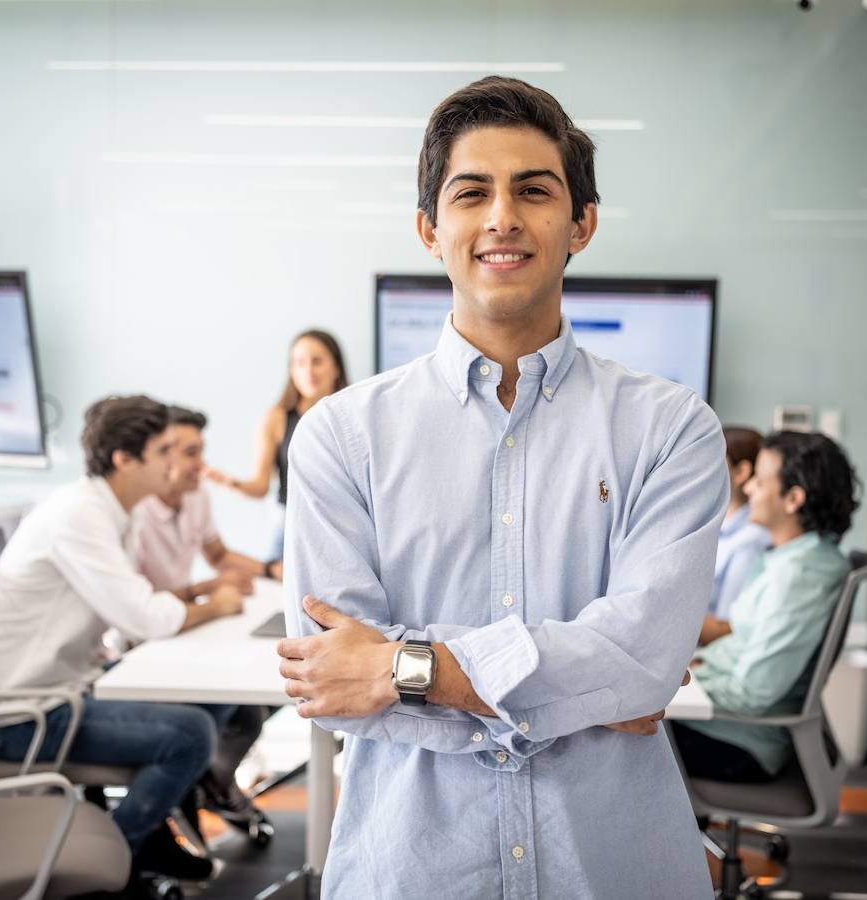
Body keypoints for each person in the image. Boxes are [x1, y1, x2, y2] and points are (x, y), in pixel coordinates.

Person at [276, 77, 728, 899]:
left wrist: (399, 669)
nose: (502, 218)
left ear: (581, 224)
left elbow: (642, 665)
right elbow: (333, 686)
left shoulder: (672, 429)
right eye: (471, 192)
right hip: (413, 871)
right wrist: (584, 691)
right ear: (429, 228)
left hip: (612, 870)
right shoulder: (341, 436)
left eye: (534, 191)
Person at [0, 395, 246, 883]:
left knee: (216, 697)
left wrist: (195, 596)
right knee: (191, 734)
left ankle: (154, 826)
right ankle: (113, 860)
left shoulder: (117, 509)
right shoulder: (79, 515)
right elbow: (145, 618)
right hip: (29, 714)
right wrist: (216, 606)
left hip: (72, 684)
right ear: (125, 460)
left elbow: (137, 601)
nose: (175, 463)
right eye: (164, 451)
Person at [673, 430, 860, 783]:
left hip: (739, 740)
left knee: (606, 739)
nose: (748, 489)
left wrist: (679, 682)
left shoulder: (799, 576)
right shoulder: (793, 559)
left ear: (793, 498)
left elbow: (752, 693)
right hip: (729, 723)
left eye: (759, 481)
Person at [129, 403, 277, 842]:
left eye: (200, 451)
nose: (201, 464)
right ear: (160, 455)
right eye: (190, 453)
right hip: (141, 645)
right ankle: (195, 788)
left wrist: (270, 570)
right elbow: (137, 605)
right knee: (237, 708)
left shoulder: (196, 497)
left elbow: (218, 555)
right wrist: (208, 590)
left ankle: (208, 784)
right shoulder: (135, 513)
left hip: (182, 631)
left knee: (251, 708)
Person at [205, 329, 347, 560]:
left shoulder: (352, 418)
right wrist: (229, 482)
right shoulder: (276, 419)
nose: (308, 371)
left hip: (343, 527)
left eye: (317, 361)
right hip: (291, 526)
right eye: (299, 363)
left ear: (336, 366)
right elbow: (260, 486)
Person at [699, 425, 772, 645]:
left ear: (741, 472)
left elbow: (727, 629)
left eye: (712, 461)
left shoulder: (750, 541)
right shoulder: (720, 528)